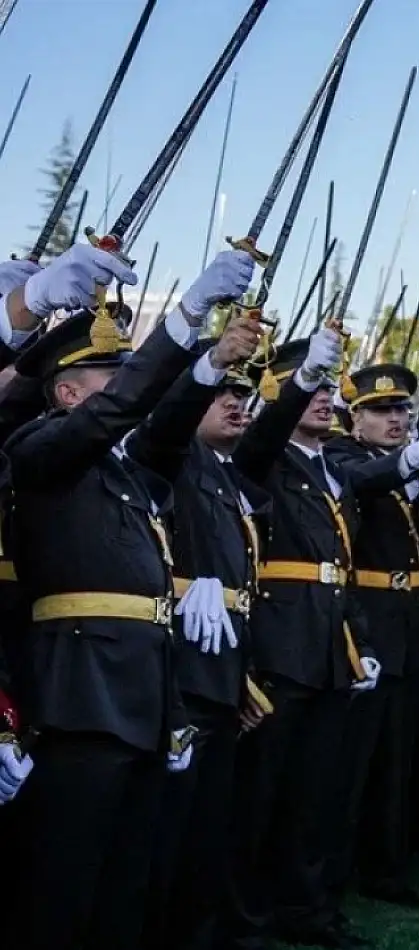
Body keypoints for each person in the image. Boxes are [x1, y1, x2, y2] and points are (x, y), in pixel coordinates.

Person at [6, 246, 255, 949]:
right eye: (107, 377)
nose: (124, 390)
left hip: (143, 697)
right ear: (67, 393)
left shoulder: (124, 472)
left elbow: (167, 424)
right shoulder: (42, 450)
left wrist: (205, 365)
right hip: (81, 696)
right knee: (64, 886)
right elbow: (123, 411)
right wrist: (184, 318)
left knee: (126, 885)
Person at [228, 323, 382, 949]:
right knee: (260, 796)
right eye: (305, 387)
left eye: (324, 387)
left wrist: (360, 642)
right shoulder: (262, 454)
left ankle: (307, 909)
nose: (321, 397)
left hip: (328, 648)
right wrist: (299, 384)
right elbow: (262, 435)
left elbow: (343, 567)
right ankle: (247, 920)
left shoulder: (330, 468)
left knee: (315, 794)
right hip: (280, 646)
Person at [130, 331, 270, 950]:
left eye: (245, 393)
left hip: (222, 663)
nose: (236, 402)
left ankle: (200, 931)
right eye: (224, 393)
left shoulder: (222, 471)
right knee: (169, 825)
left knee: (209, 821)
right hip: (179, 664)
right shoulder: (170, 455)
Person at [324, 362, 419, 912]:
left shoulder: (403, 467)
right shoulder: (343, 457)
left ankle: (387, 868)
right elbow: (368, 481)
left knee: (397, 761)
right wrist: (418, 454)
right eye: (382, 411)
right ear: (355, 419)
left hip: (406, 621)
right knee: (352, 764)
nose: (396, 418)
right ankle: (333, 876)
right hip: (365, 622)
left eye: (402, 409)